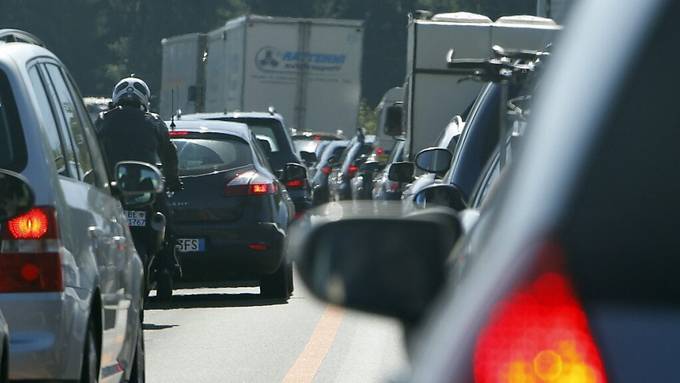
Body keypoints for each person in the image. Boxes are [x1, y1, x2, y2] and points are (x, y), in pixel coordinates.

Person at [95, 76, 182, 279]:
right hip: (146, 185)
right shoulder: (154, 121)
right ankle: (169, 262)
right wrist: (173, 179)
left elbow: (90, 151)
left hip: (113, 185)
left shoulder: (102, 120)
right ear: (145, 99)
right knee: (166, 217)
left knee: (96, 224)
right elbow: (169, 154)